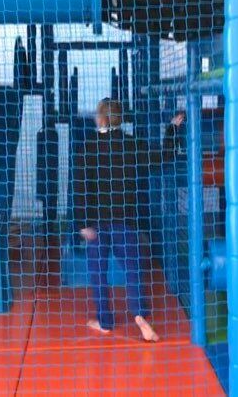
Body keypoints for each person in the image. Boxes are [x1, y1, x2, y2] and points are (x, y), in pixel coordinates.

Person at [72, 98, 160, 342]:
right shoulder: (131, 144)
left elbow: (80, 188)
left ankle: (105, 321)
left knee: (98, 273)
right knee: (133, 269)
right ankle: (140, 316)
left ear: (100, 119)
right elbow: (161, 156)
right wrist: (173, 129)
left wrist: (83, 223)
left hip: (97, 223)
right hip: (124, 220)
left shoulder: (88, 147)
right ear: (120, 118)